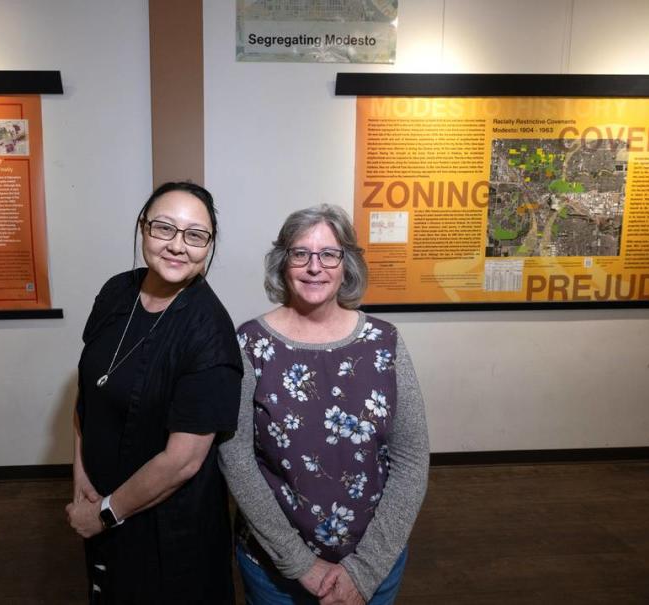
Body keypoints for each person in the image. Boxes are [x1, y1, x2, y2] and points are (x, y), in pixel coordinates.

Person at [220, 204, 429, 605]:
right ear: (283, 263)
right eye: (301, 254)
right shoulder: (250, 344)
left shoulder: (385, 342)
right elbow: (236, 459)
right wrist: (300, 564)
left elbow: (411, 460)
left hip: (373, 563)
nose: (314, 267)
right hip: (274, 570)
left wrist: (365, 569)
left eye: (328, 254)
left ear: (346, 264)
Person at [65, 181, 243, 604]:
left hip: (169, 528)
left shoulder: (210, 332)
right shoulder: (115, 292)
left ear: (209, 246)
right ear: (143, 229)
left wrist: (105, 513)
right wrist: (81, 476)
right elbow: (89, 391)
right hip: (100, 503)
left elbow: (182, 462)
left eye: (195, 235)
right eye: (164, 228)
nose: (178, 246)